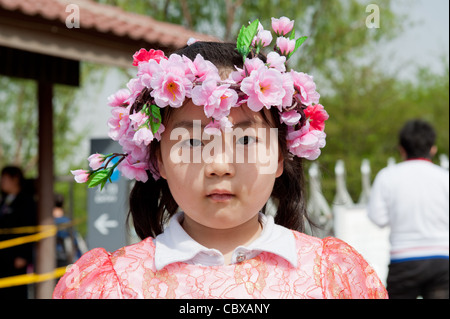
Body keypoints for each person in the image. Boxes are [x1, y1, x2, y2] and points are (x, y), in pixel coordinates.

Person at [53, 17, 387, 299]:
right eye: (194, 142)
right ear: (159, 159)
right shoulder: (106, 287)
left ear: (280, 156)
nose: (219, 166)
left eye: (246, 139)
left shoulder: (337, 278)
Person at [368, 119, 449, 299]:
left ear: (401, 149)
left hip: (403, 260)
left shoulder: (387, 176)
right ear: (433, 148)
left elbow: (377, 218)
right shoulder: (445, 177)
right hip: (442, 260)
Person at [0, 166, 37, 299]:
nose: (1, 181)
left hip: (16, 257)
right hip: (3, 256)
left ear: (15, 179)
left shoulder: (26, 202)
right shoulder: (4, 201)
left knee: (16, 291)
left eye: (4, 178)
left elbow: (29, 229)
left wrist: (23, 255)